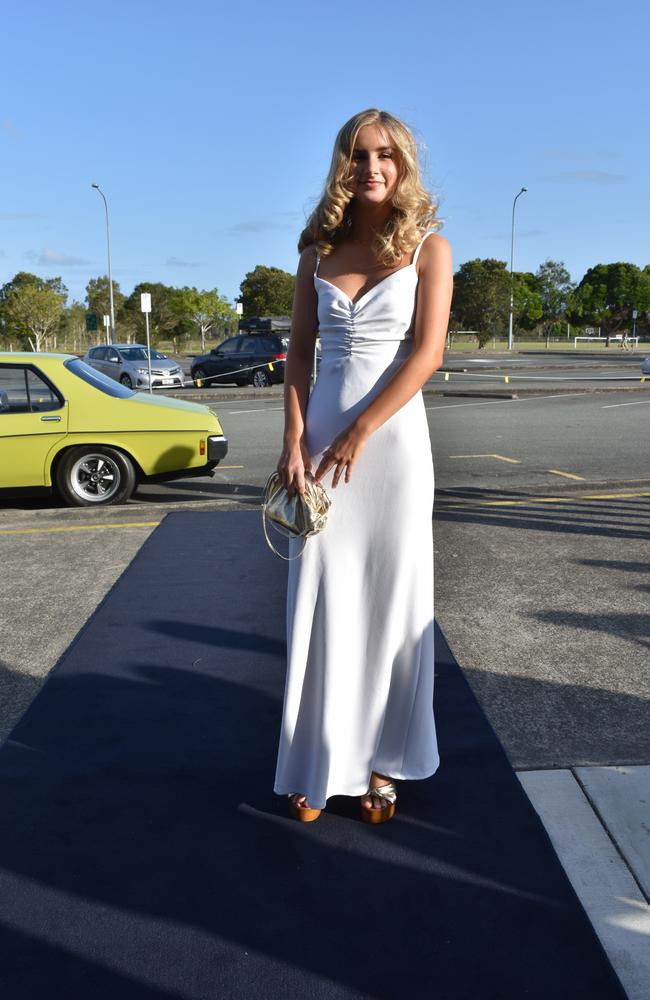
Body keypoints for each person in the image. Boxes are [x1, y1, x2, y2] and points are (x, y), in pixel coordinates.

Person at [273, 108, 453, 824]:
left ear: (403, 164)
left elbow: (427, 355)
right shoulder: (316, 253)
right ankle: (318, 762)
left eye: (385, 155)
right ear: (341, 166)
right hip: (319, 446)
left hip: (393, 449)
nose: (371, 167)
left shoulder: (429, 249)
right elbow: (298, 356)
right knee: (321, 600)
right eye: (358, 155)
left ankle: (382, 764)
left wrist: (361, 433)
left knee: (388, 600)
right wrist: (295, 439)